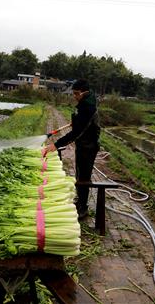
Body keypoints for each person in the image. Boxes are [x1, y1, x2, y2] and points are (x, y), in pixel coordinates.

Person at [42, 79, 100, 219]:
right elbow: (80, 124)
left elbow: (76, 133)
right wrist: (77, 121)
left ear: (83, 92)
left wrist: (56, 145)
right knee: (80, 174)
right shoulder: (85, 103)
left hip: (88, 146)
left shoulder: (88, 107)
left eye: (76, 93)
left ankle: (83, 208)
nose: (74, 96)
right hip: (83, 144)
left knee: (84, 177)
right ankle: (80, 201)